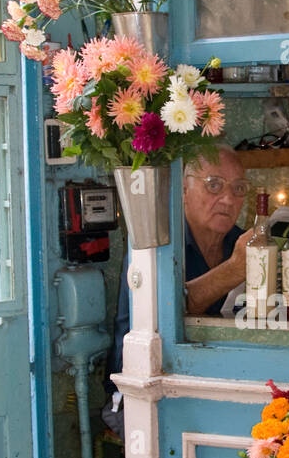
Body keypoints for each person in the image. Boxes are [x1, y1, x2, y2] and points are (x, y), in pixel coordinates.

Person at [103, 145, 250, 429]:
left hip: (215, 383)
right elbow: (164, 316)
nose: (228, 199)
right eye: (214, 185)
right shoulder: (156, 246)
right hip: (143, 392)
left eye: (239, 188)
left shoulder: (241, 242)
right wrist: (233, 270)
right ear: (183, 190)